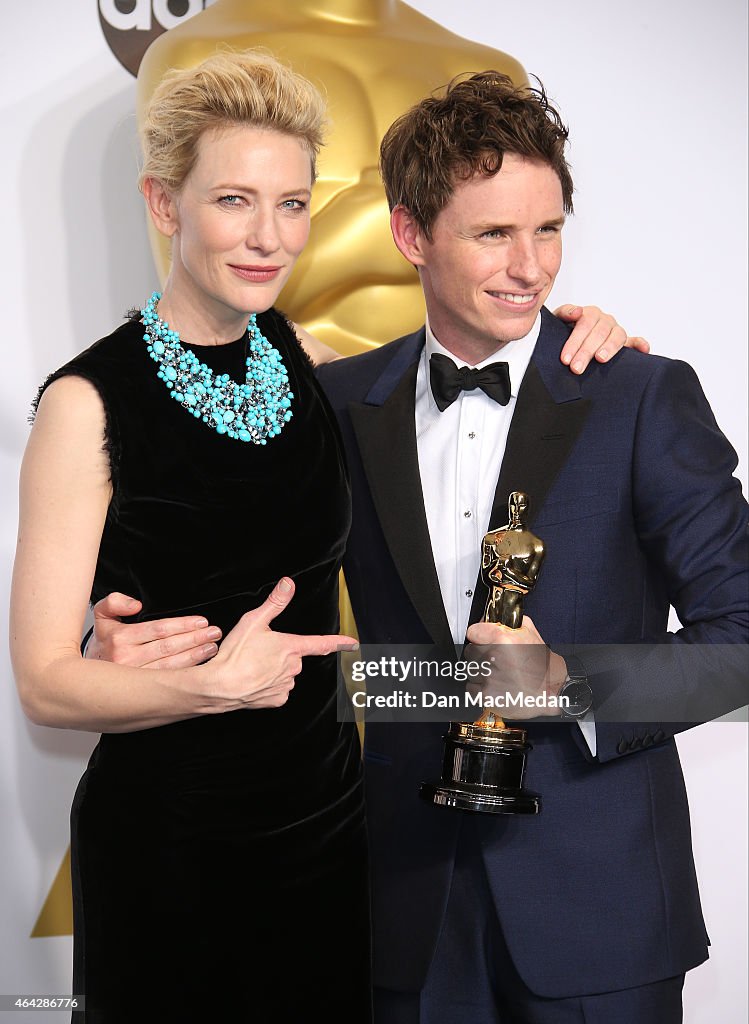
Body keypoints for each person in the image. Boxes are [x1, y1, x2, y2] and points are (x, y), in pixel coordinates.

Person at [73, 63, 658, 1024]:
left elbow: (739, 648)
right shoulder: (334, 399)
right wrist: (115, 645)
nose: (533, 267)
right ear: (409, 235)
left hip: (598, 919)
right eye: (493, 234)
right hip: (391, 910)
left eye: (547, 229)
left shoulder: (632, 391)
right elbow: (239, 553)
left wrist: (568, 687)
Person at [9, 50, 371, 1022]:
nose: (268, 238)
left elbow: (472, 392)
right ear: (164, 205)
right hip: (170, 847)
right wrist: (204, 684)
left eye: (291, 204)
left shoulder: (314, 361)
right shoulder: (88, 404)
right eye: (233, 201)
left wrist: (594, 338)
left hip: (326, 831)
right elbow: (44, 680)